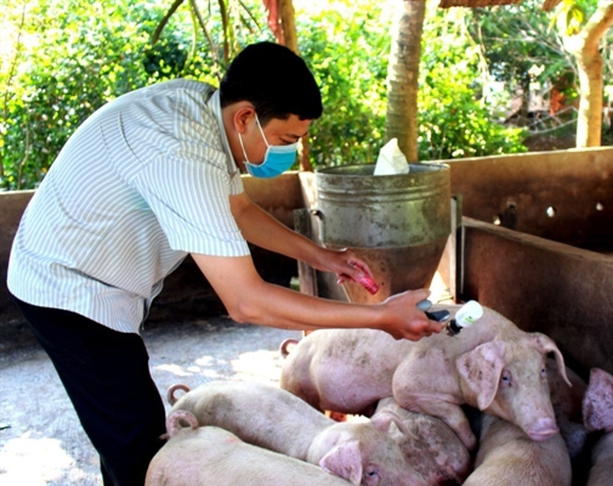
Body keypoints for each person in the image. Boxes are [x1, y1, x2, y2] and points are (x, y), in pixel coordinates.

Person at [6, 41, 443, 486]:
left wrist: (325, 257)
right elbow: (246, 302)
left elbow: (240, 210)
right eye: (286, 140)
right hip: (68, 288)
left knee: (125, 425)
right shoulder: (181, 152)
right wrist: (378, 317)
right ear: (246, 118)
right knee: (140, 446)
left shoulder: (205, 113)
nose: (289, 152)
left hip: (104, 278)